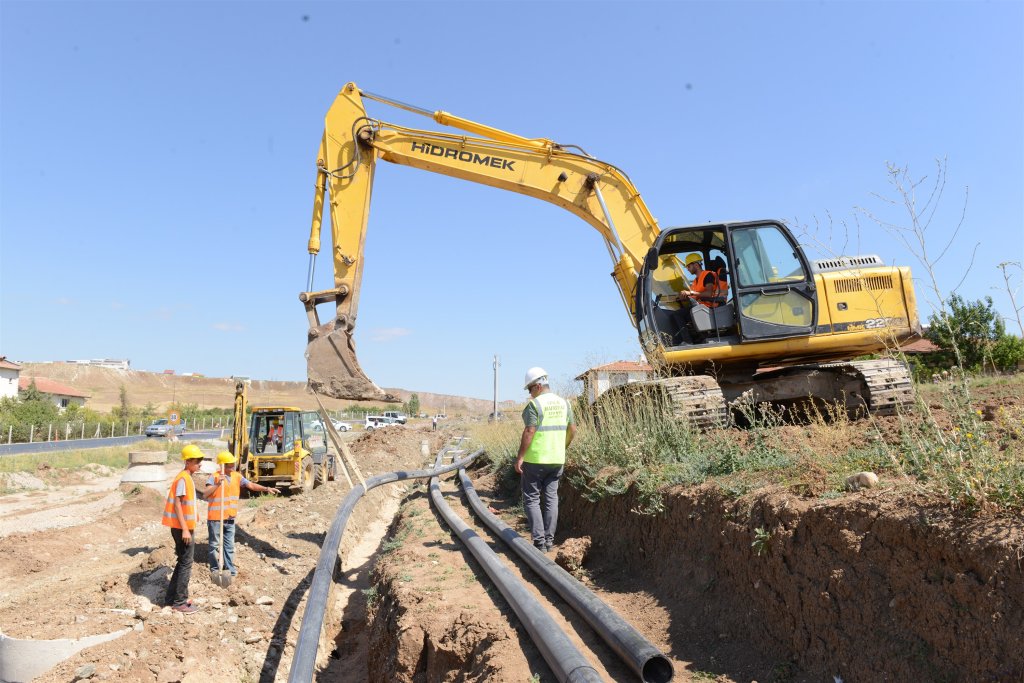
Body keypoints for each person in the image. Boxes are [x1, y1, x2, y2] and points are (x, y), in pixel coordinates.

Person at [515, 367, 576, 553]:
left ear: (538, 386)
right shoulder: (565, 404)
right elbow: (573, 430)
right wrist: (561, 447)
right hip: (557, 460)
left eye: (530, 389)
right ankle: (549, 542)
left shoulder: (535, 406)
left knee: (532, 499)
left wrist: (520, 457)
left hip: (535, 460)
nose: (529, 393)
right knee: (551, 499)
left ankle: (539, 542)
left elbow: (529, 431)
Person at [203, 451, 280, 577]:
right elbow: (206, 494)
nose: (232, 466)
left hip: (230, 518)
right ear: (222, 465)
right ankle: (215, 570)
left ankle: (230, 570)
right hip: (216, 518)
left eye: (233, 463)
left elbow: (251, 485)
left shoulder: (237, 476)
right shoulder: (214, 477)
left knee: (229, 546)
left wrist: (266, 489)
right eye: (229, 464)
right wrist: (217, 484)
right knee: (214, 546)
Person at [162, 444, 204, 613]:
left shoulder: (186, 477)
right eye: (197, 461)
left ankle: (171, 598)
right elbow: (178, 504)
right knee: (186, 563)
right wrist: (186, 529)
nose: (200, 464)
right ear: (188, 462)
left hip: (182, 527)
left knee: (182, 562)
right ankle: (179, 602)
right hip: (182, 529)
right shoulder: (183, 479)